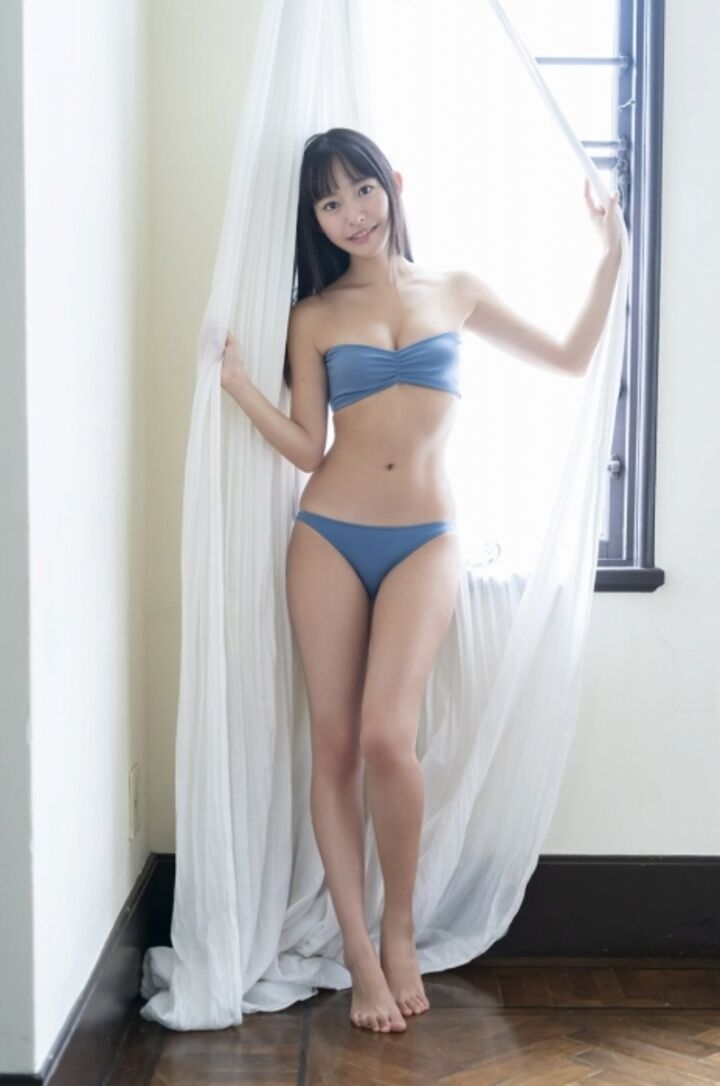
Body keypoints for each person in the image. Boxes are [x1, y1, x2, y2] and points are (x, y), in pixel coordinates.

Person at [219, 127, 622, 1034]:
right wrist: (244, 388)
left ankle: (399, 930)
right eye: (329, 203)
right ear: (316, 221)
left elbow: (568, 356)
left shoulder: (456, 288)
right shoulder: (314, 316)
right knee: (334, 747)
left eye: (361, 189)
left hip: (427, 539)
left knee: (386, 738)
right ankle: (358, 953)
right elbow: (309, 447)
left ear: (393, 183)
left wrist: (608, 256)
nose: (352, 213)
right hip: (328, 535)